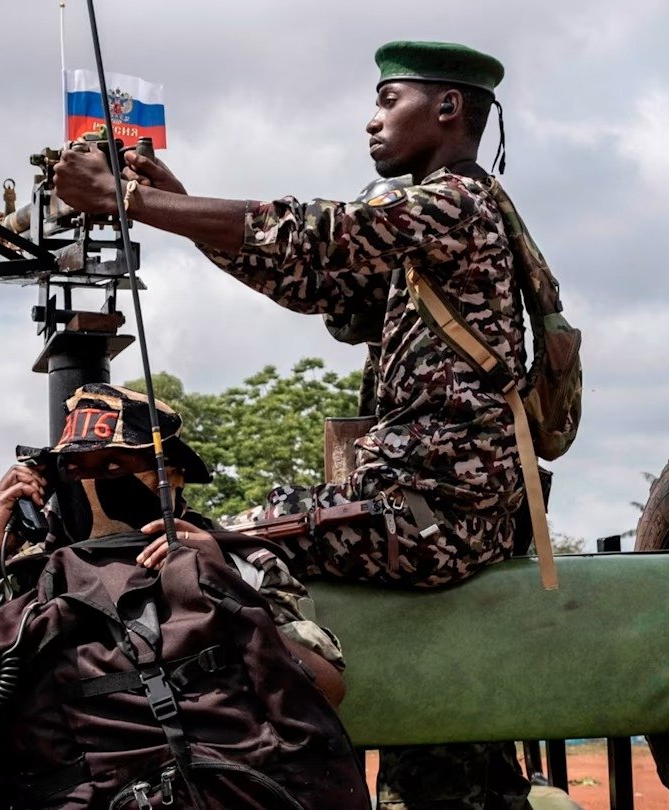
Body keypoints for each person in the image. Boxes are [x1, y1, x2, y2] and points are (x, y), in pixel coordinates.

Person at [53, 41, 542, 809]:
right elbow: (308, 276)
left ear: (448, 109)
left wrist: (129, 202)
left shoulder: (452, 203)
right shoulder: (434, 229)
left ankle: (282, 757)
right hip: (437, 507)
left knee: (209, 548)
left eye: (389, 102)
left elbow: (313, 231)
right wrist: (178, 203)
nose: (372, 121)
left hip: (433, 516)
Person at [0, 382, 347, 727]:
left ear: (169, 477)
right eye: (75, 469)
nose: (91, 485)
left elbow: (327, 692)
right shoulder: (28, 575)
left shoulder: (239, 562)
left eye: (115, 466)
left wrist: (220, 585)